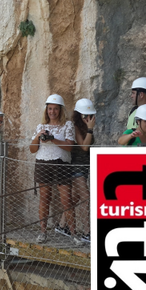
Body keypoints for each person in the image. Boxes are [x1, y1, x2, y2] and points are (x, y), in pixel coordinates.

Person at [29, 94, 77, 244]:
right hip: (43, 163)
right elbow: (32, 149)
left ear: (60, 110)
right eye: (50, 108)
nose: (52, 112)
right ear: (46, 110)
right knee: (44, 199)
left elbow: (70, 147)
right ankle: (43, 232)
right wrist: (38, 137)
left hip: (61, 164)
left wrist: (52, 139)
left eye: (55, 109)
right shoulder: (40, 127)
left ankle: (74, 234)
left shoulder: (67, 125)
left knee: (66, 200)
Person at [57, 98, 96, 243]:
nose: (88, 118)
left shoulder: (85, 126)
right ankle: (87, 232)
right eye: (85, 115)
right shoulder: (75, 126)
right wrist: (91, 128)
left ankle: (62, 226)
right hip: (75, 167)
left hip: (84, 167)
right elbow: (84, 147)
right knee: (86, 197)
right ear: (78, 114)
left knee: (74, 198)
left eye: (90, 115)